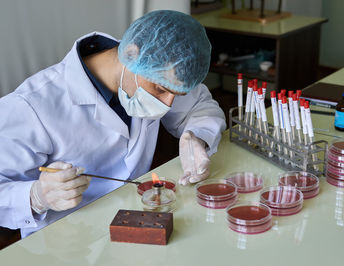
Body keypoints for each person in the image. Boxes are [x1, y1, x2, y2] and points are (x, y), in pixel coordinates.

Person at [0, 10, 226, 238]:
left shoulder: (159, 66)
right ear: (131, 54)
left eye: (176, 95)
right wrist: (37, 196)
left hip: (137, 224)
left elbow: (200, 106)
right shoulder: (30, 106)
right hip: (65, 243)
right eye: (160, 90)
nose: (168, 105)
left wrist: (197, 136)